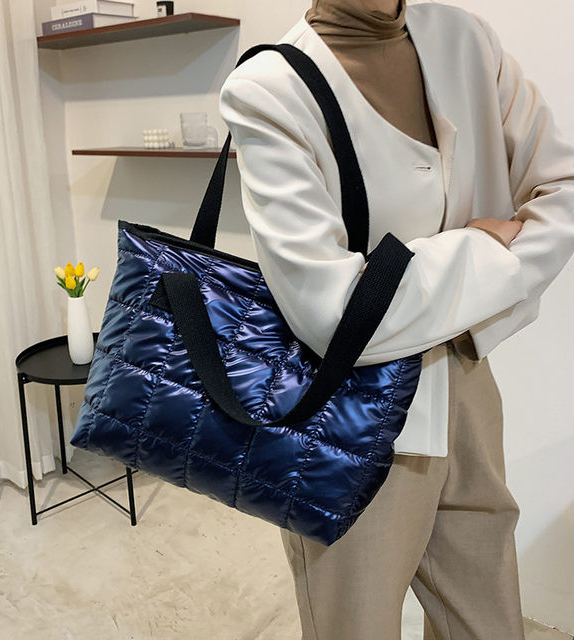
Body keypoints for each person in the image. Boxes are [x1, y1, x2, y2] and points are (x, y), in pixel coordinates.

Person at [218, 1, 574, 638]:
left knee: (491, 622)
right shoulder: (269, 88)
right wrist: (485, 248)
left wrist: (423, 288)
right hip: (345, 422)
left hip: (466, 387)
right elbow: (334, 315)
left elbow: (563, 191)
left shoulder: (467, 41)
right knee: (356, 623)